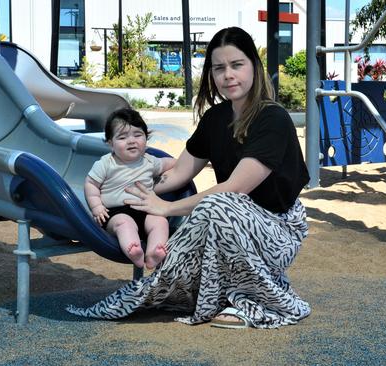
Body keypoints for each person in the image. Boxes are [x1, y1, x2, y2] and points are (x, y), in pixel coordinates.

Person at [68, 26, 311, 329]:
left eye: (237, 65)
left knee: (217, 205)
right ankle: (204, 293)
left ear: (254, 66)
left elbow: (236, 188)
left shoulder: (272, 118)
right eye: (219, 68)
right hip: (232, 225)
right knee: (214, 210)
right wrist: (132, 193)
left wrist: (166, 208)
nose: (228, 75)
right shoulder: (215, 119)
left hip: (277, 229)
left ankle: (248, 300)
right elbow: (180, 172)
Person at [84, 108, 175, 269]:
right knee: (124, 223)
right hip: (115, 213)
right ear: (111, 143)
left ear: (146, 139)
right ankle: (133, 249)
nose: (131, 141)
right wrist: (97, 207)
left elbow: (168, 163)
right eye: (123, 137)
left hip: (145, 209)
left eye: (138, 135)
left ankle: (155, 251)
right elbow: (91, 184)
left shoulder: (149, 161)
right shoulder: (106, 163)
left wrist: (180, 163)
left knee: (160, 221)